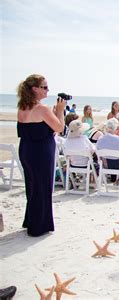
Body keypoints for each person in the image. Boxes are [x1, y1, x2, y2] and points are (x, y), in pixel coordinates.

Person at [16, 74, 65, 236]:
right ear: (34, 89)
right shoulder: (42, 109)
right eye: (44, 87)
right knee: (42, 187)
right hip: (41, 152)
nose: (47, 90)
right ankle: (38, 226)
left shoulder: (22, 108)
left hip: (26, 150)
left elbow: (34, 130)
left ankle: (31, 220)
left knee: (32, 186)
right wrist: (60, 111)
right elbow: (59, 128)